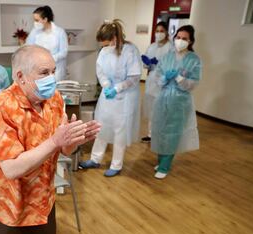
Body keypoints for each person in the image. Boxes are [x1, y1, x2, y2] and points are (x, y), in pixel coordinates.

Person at [0, 45, 101, 234]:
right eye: (44, 72)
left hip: (42, 202)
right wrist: (55, 141)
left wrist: (72, 141)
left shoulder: (53, 99)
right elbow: (11, 168)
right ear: (21, 77)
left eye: (53, 71)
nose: (52, 78)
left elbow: (63, 149)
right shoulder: (1, 107)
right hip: (8, 208)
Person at [79, 19, 142, 177]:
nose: (104, 47)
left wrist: (117, 88)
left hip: (125, 97)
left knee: (119, 130)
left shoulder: (130, 50)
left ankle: (116, 164)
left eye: (106, 44)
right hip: (108, 95)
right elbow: (100, 71)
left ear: (115, 38)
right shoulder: (105, 51)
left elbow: (134, 77)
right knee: (101, 126)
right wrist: (106, 85)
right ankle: (95, 159)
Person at [151, 25, 202, 179]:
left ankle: (165, 166)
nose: (180, 41)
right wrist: (165, 78)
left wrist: (180, 78)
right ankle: (160, 161)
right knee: (160, 129)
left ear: (191, 41)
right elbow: (158, 78)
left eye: (184, 38)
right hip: (164, 97)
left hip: (180, 100)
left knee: (172, 132)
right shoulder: (167, 57)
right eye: (178, 37)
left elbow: (193, 83)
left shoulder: (194, 60)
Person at [141, 21, 173, 142]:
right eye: (157, 31)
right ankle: (151, 134)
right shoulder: (152, 46)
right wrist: (147, 62)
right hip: (151, 81)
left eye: (161, 31)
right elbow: (146, 65)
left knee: (162, 109)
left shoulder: (170, 47)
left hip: (164, 82)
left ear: (166, 33)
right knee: (152, 109)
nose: (159, 34)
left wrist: (159, 63)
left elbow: (172, 65)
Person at [26, 6, 68, 81]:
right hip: (38, 70)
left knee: (54, 91)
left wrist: (50, 59)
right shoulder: (34, 32)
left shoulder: (59, 32)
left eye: (37, 20)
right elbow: (28, 48)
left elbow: (63, 52)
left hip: (56, 72)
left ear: (45, 19)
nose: (35, 23)